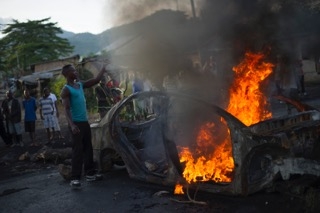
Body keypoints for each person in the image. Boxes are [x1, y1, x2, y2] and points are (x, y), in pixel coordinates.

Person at [60, 63, 105, 189]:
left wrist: (103, 68)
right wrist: (72, 125)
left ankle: (90, 174)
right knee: (77, 150)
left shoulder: (79, 85)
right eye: (73, 71)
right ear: (68, 74)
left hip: (84, 122)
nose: (76, 72)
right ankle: (75, 178)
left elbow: (96, 80)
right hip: (76, 123)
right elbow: (67, 110)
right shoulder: (66, 89)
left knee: (88, 148)